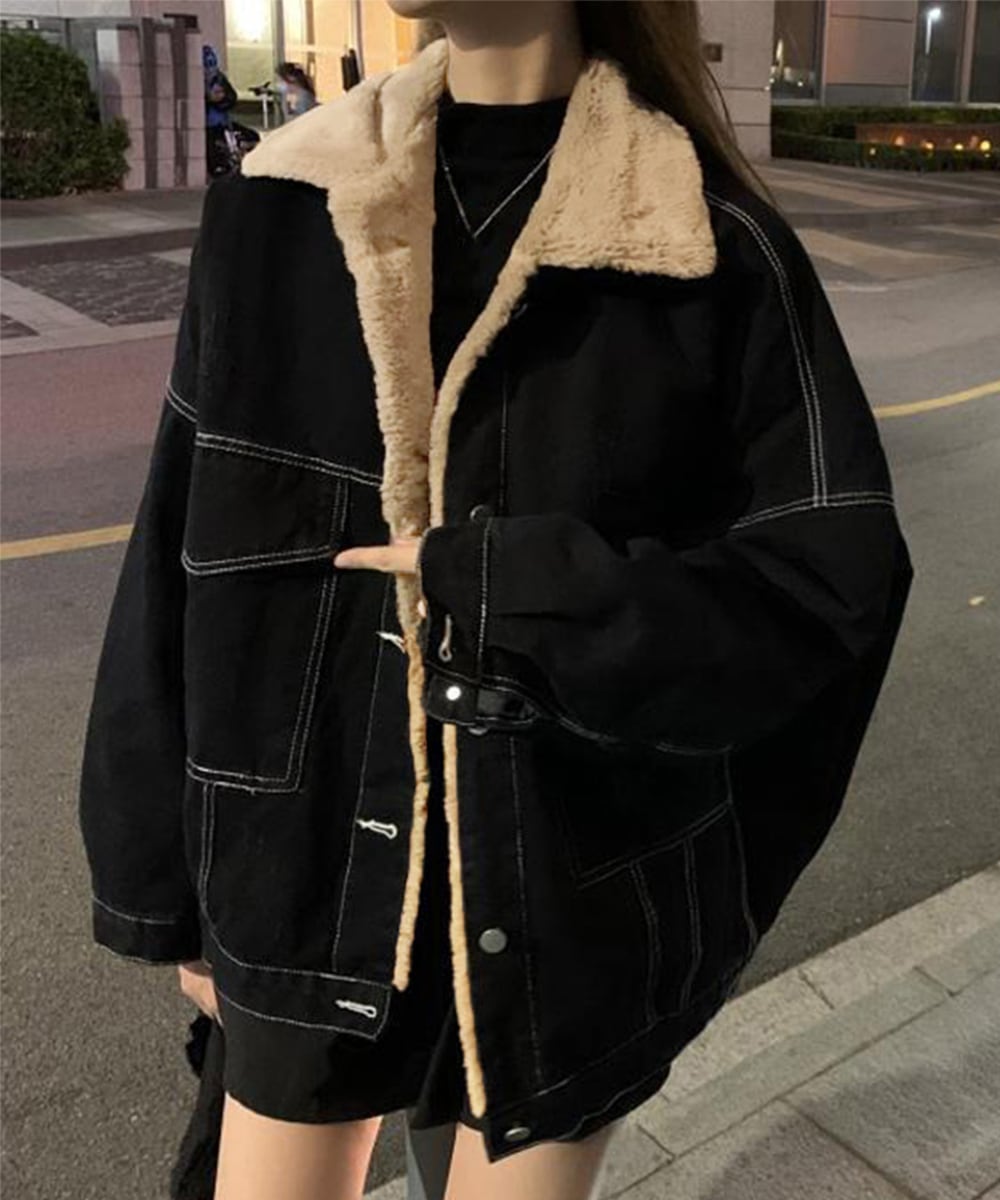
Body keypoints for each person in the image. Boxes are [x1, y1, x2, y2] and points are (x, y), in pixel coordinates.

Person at [77, 3, 914, 1199]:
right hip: (297, 877)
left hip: (568, 908)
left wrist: (524, 588)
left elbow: (827, 593)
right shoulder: (277, 210)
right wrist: (162, 892)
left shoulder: (701, 243)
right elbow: (177, 561)